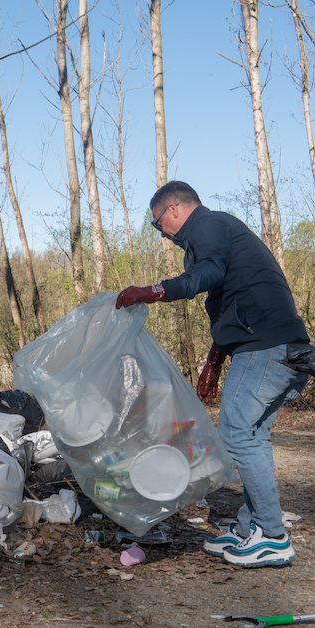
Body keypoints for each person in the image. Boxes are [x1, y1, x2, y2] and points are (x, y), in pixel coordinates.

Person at [116, 180, 310, 568]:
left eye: (157, 224)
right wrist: (213, 363)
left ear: (173, 209)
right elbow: (227, 302)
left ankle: (272, 537)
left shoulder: (207, 225)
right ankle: (250, 529)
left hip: (265, 346)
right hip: (275, 344)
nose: (161, 234)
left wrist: (153, 291)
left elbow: (209, 274)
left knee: (236, 433)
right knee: (251, 435)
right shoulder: (218, 235)